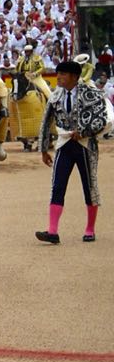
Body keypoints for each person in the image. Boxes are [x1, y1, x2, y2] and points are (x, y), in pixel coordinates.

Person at [35, 59, 109, 245]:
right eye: (58, 73)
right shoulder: (55, 95)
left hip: (85, 145)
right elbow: (46, 122)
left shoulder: (91, 93)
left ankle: (90, 229)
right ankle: (52, 231)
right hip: (64, 145)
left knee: (89, 186)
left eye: (63, 74)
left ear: (75, 77)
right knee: (57, 185)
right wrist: (44, 149)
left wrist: (83, 131)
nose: (58, 77)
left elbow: (102, 118)